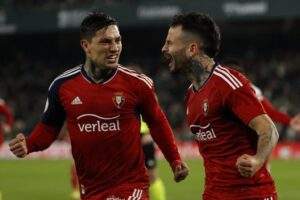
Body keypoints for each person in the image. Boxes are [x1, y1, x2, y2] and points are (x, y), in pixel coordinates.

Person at [9, 11, 189, 200]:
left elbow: (157, 122)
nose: (114, 48)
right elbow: (48, 130)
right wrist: (28, 144)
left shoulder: (138, 84)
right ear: (86, 46)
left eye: (117, 41)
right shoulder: (62, 86)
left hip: (131, 186)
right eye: (105, 42)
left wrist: (175, 159)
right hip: (91, 190)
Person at [161, 12, 279, 200]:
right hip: (214, 194)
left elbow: (269, 130)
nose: (164, 49)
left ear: (192, 49)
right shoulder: (191, 94)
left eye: (169, 43)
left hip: (250, 195)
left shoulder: (228, 83)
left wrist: (257, 160)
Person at [141, 120, 166, 200]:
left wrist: (148, 133)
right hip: (127, 137)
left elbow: (153, 114)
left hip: (144, 137)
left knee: (152, 176)